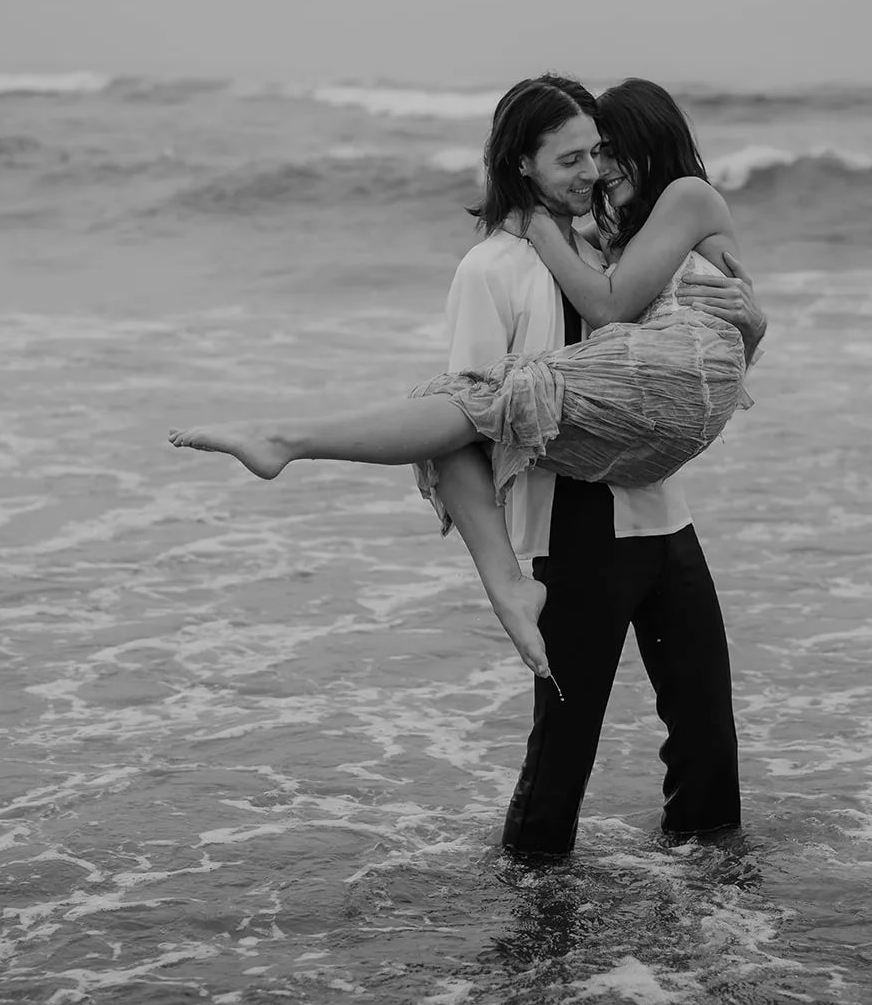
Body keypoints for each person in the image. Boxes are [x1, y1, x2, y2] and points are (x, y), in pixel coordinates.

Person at [171, 74, 763, 854]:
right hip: (571, 530)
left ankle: (716, 896)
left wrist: (750, 323)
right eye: (570, 159)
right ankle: (528, 918)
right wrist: (504, 584)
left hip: (663, 513)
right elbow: (457, 429)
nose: (590, 174)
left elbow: (680, 365)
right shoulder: (490, 270)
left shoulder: (611, 245)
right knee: (564, 751)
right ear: (522, 164)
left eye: (598, 155)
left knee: (707, 733)